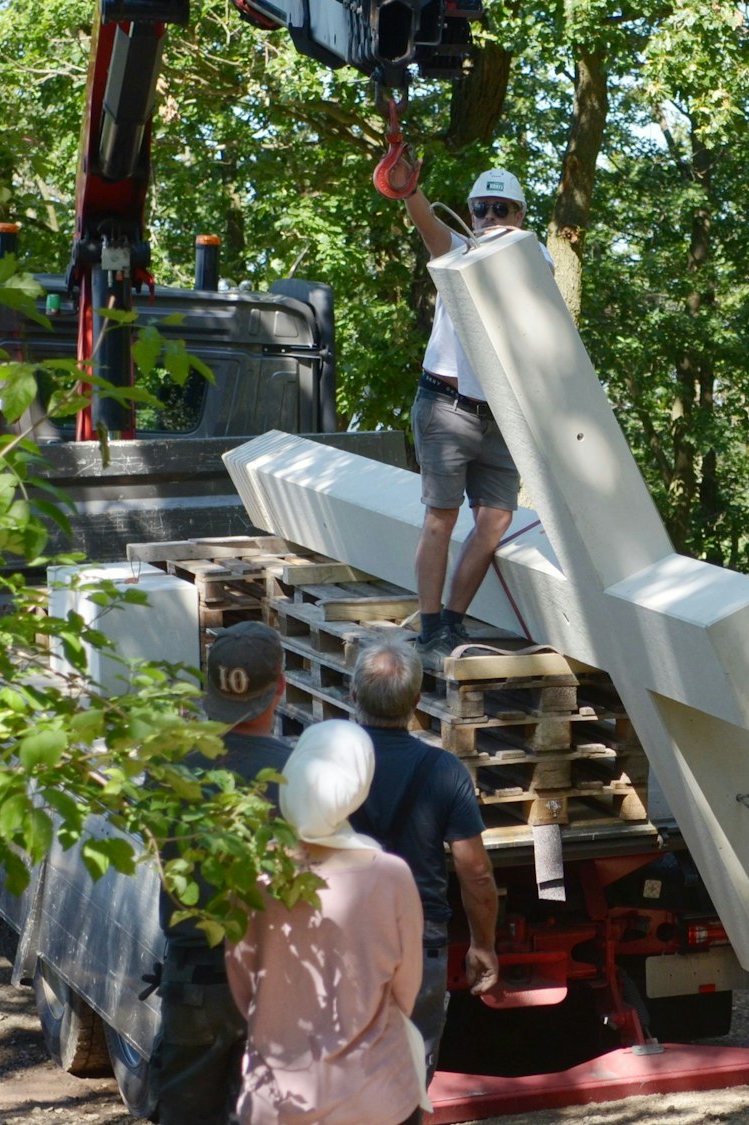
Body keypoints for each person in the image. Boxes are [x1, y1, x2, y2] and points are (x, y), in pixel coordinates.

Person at [229, 720, 428, 1125]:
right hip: (377, 1093)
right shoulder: (390, 875)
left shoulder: (252, 873)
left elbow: (241, 985)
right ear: (358, 784)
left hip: (277, 1098)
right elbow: (406, 989)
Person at [150, 620, 293, 1125]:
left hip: (195, 976)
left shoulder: (170, 767)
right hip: (278, 977)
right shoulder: (297, 773)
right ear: (280, 686)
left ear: (209, 688)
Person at [345, 635, 500, 1077]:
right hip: (417, 942)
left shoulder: (325, 763)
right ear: (416, 701)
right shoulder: (443, 771)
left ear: (353, 696)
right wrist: (483, 945)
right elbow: (476, 874)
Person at [398, 167, 537, 655]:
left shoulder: (532, 257)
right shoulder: (459, 252)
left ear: (520, 216)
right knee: (441, 516)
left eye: (502, 209)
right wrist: (409, 187)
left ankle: (455, 619)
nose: (490, 217)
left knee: (496, 520)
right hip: (446, 407)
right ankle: (431, 626)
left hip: (500, 416)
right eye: (481, 208)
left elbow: (525, 272)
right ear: (471, 214)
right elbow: (431, 230)